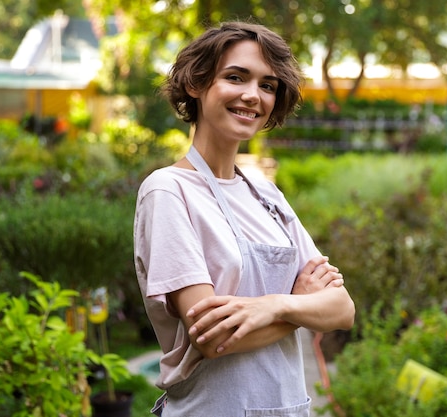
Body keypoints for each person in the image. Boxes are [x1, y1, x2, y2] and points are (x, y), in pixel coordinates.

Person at [133, 21, 355, 417]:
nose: (253, 96)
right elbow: (213, 339)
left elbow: (341, 309)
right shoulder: (168, 191)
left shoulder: (265, 193)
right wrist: (300, 305)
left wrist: (272, 307)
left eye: (268, 85)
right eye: (236, 77)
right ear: (195, 84)